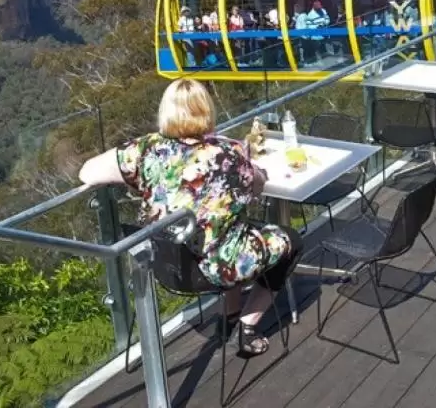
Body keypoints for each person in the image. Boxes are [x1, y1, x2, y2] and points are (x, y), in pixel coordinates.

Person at [78, 79, 301, 356]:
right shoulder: (228, 153)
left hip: (164, 264)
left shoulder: (145, 150)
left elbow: (87, 173)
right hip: (216, 269)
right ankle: (247, 327)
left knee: (231, 234)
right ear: (206, 110)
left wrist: (138, 179)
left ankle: (230, 316)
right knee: (289, 240)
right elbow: (256, 185)